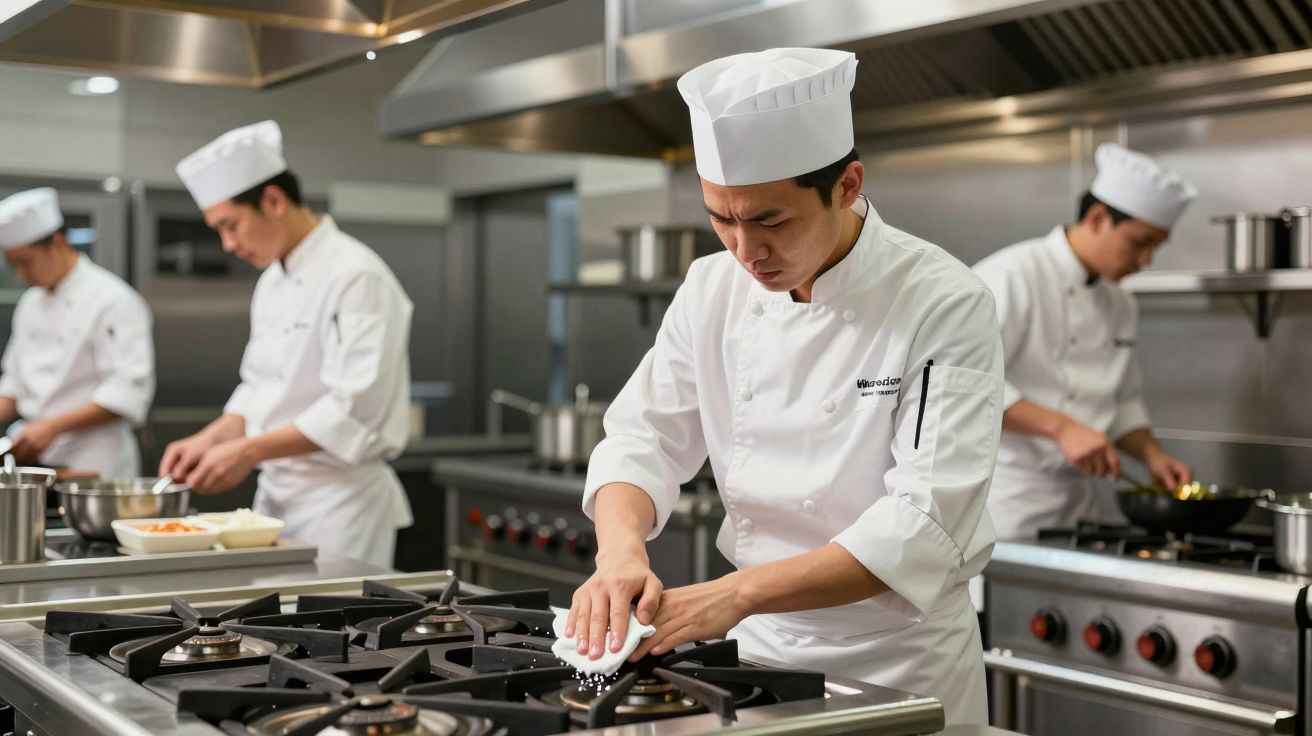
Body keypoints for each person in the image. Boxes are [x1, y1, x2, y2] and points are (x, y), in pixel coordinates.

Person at [565, 48, 1003, 724]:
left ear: (848, 184)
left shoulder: (942, 301)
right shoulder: (711, 288)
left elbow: (923, 523)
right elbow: (641, 439)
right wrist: (619, 553)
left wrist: (733, 594)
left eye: (771, 220)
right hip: (758, 653)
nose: (745, 250)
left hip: (899, 658)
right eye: (721, 218)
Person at [160, 120, 414, 568]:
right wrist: (211, 437)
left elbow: (353, 409)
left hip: (340, 506)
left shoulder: (356, 275)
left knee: (335, 633)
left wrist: (247, 451)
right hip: (274, 501)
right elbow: (259, 386)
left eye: (231, 225)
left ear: (273, 200)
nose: (228, 244)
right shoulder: (273, 280)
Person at [974, 143, 1198, 541]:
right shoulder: (1012, 276)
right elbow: (964, 383)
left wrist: (1151, 454)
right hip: (1002, 505)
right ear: (1097, 218)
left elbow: (1123, 399)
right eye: (1140, 242)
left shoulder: (1121, 302)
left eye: (1155, 248)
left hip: (1077, 509)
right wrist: (1062, 429)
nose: (1146, 261)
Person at [0, 187, 154, 477]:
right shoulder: (30, 303)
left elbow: (127, 391)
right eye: (13, 265)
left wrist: (52, 427)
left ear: (58, 243)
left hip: (95, 461)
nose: (21, 274)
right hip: (32, 455)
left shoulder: (114, 300)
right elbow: (14, 383)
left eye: (25, 262)